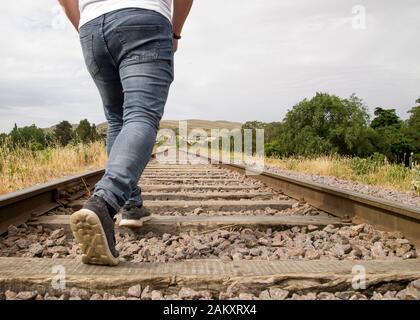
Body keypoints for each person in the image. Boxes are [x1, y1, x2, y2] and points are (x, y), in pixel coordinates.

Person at [58, 0, 193, 266]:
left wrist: (86, 24)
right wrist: (175, 33)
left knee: (117, 120)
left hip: (92, 28)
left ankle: (131, 204)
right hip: (144, 19)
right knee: (140, 114)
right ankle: (105, 203)